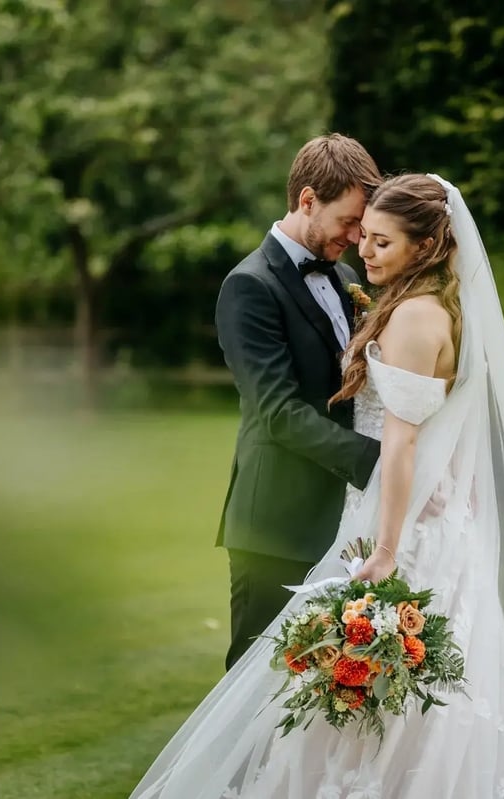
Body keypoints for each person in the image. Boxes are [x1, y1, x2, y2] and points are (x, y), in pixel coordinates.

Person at [132, 175, 504, 798]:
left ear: (424, 247)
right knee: (341, 691)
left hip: (398, 527)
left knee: (388, 695)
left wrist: (386, 549)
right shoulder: (389, 299)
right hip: (372, 514)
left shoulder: (414, 316)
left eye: (380, 241)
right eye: (360, 234)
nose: (362, 250)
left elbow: (404, 441)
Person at [215, 134, 383, 670]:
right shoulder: (248, 287)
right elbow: (280, 411)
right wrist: (377, 461)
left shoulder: (347, 278)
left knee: (332, 687)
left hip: (345, 522)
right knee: (252, 687)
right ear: (308, 200)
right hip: (276, 526)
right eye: (349, 221)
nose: (357, 237)